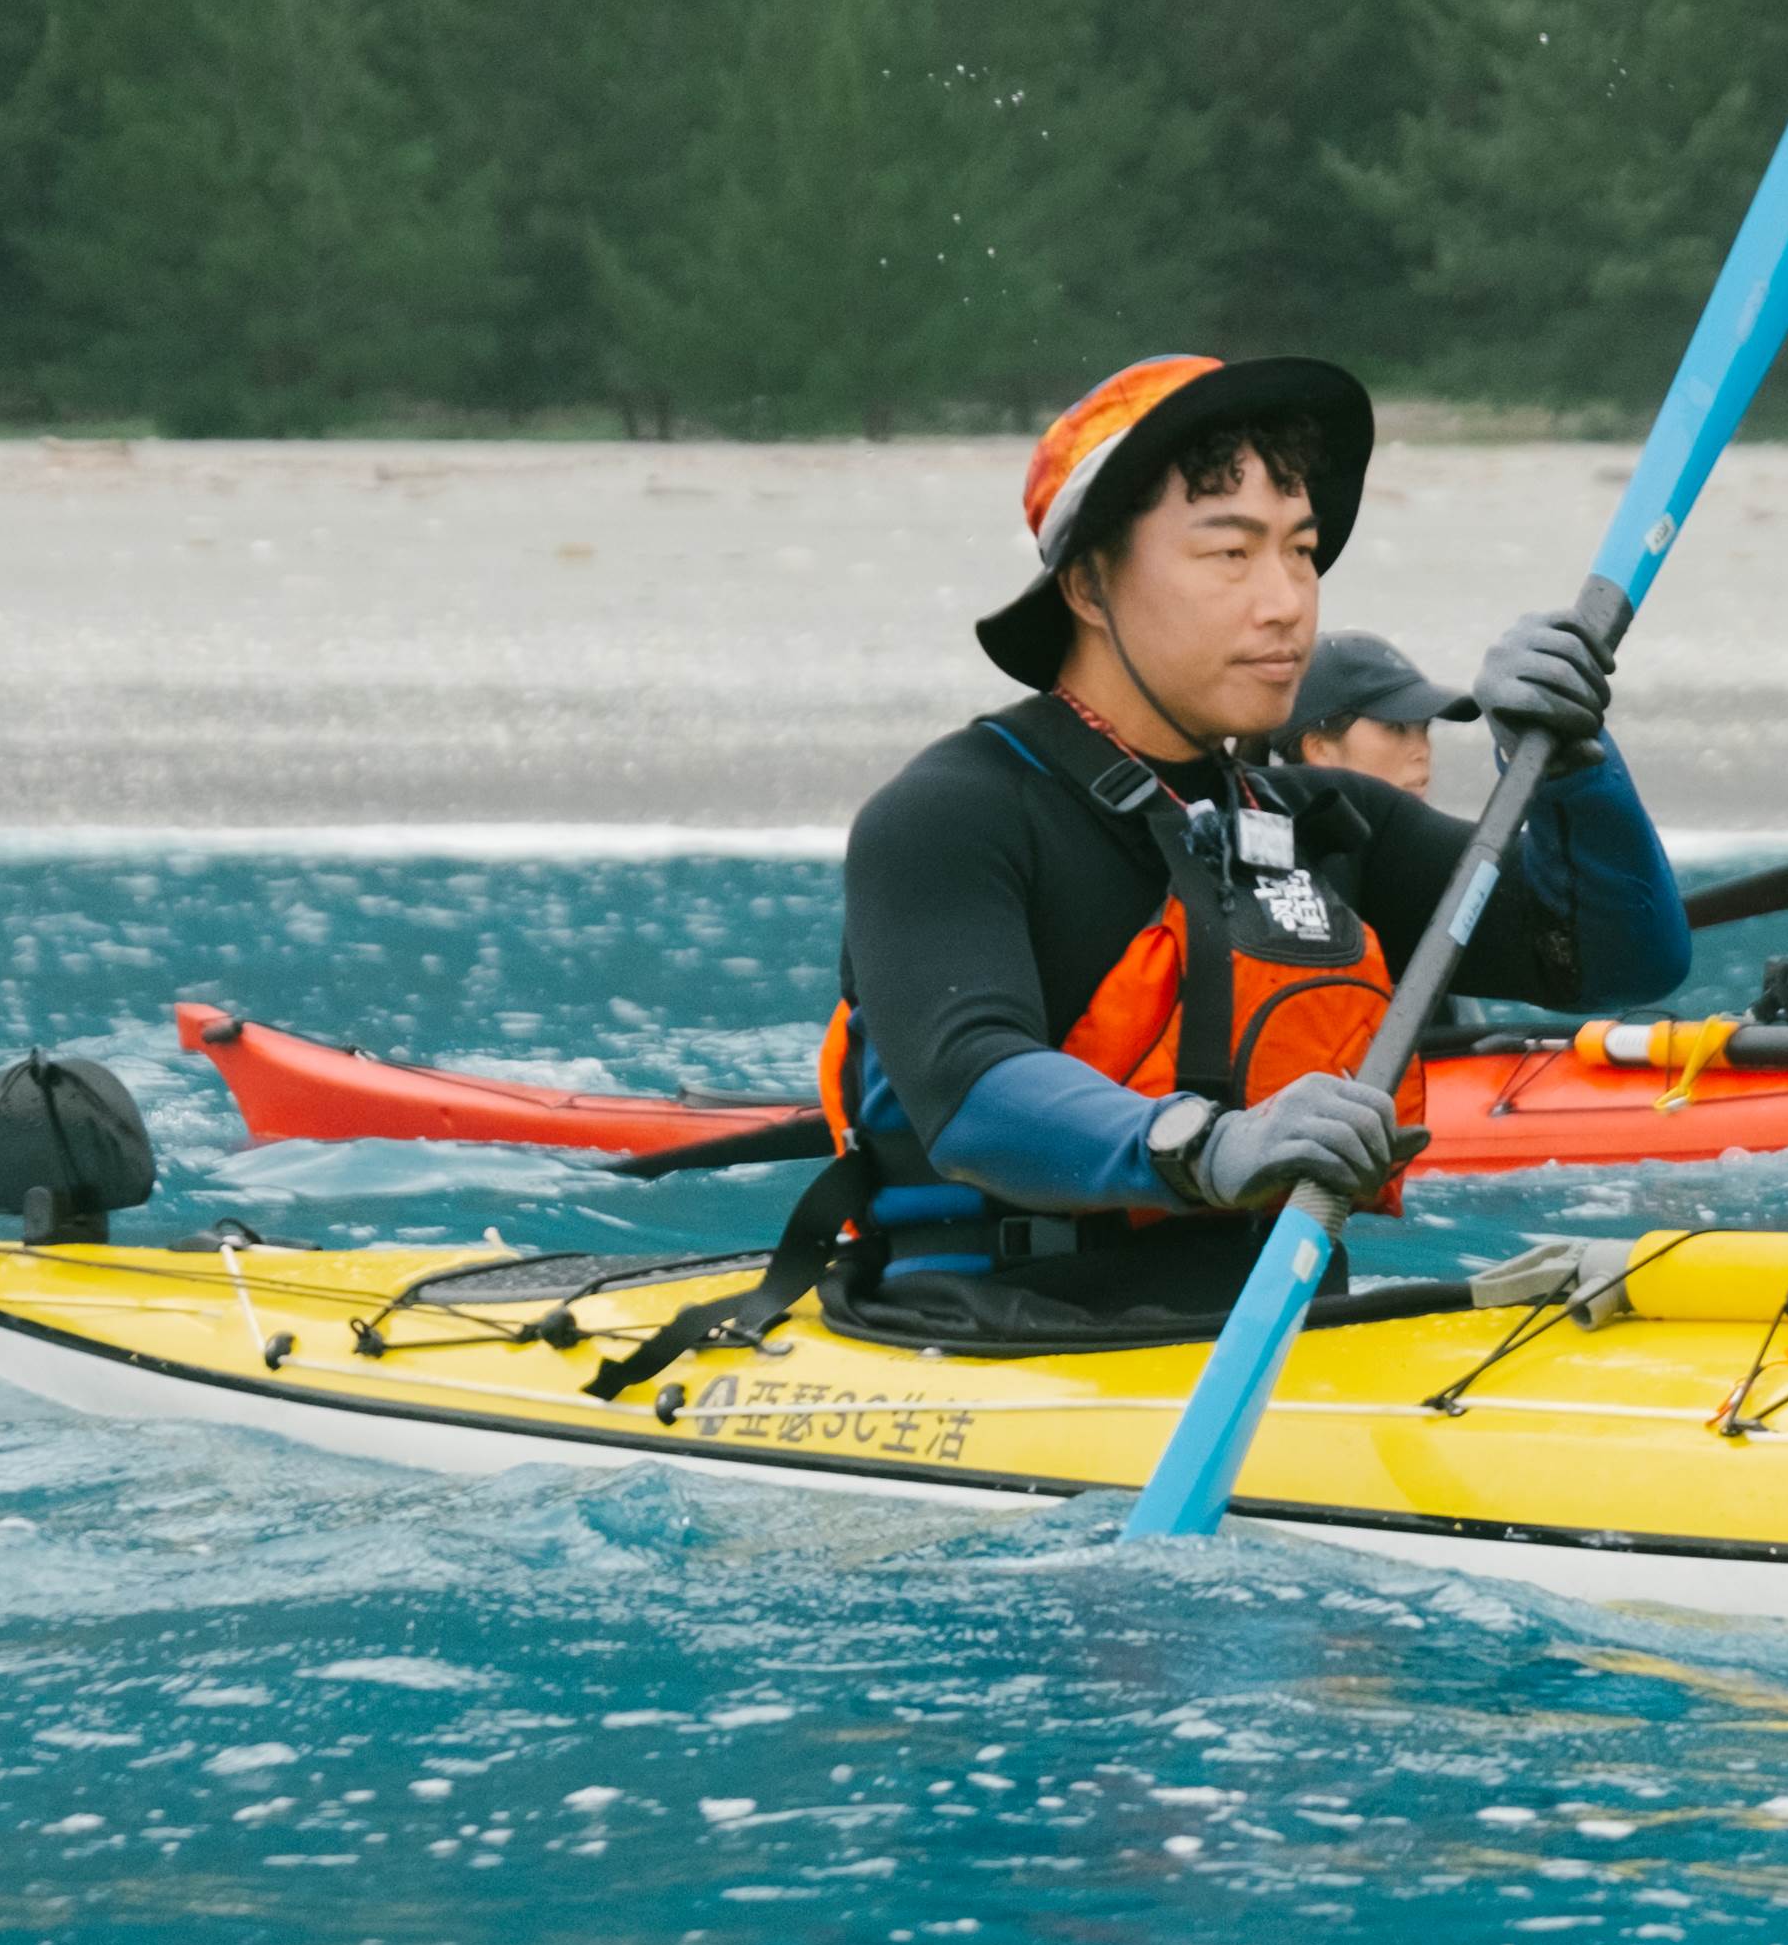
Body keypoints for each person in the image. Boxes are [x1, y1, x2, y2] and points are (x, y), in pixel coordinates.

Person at [614, 355, 1686, 1373]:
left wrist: (1569, 769)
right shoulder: (950, 815)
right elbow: (972, 1093)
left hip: (1283, 1329)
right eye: (1230, 553)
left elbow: (1620, 960)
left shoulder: (1336, 826)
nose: (1286, 602)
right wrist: (1213, 1145)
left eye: (1301, 551)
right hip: (981, 1333)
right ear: (1088, 585)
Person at [1283, 631, 1470, 794]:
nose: (1423, 751)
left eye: (1425, 728)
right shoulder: (1282, 835)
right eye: (1396, 728)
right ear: (1320, 750)